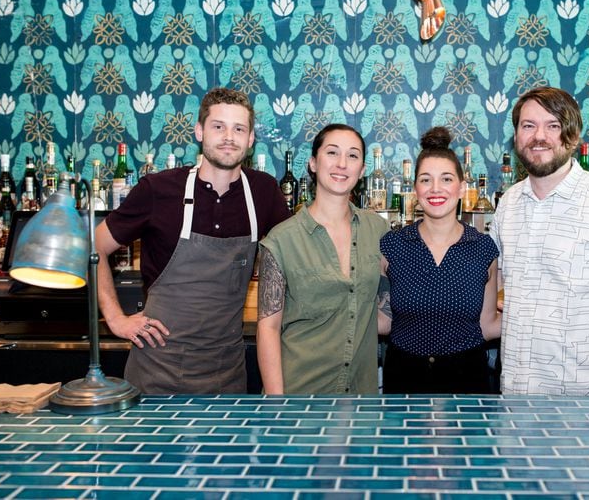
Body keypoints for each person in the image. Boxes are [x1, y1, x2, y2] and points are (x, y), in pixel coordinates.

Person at [95, 87, 290, 394]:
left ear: (251, 139)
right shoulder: (158, 189)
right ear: (199, 131)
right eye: (218, 126)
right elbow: (94, 248)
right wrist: (116, 319)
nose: (229, 136)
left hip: (226, 374)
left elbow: (299, 253)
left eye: (239, 128)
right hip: (157, 371)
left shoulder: (263, 192)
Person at [490, 86, 589, 397]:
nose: (539, 136)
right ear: (516, 137)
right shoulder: (508, 205)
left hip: (588, 408)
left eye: (553, 125)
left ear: (572, 137)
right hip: (516, 401)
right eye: (528, 125)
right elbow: (499, 285)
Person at [256, 124, 389, 394]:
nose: (342, 164)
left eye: (352, 156)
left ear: (362, 170)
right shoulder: (281, 239)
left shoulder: (379, 230)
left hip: (361, 399)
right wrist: (275, 403)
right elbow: (268, 328)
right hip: (300, 395)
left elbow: (384, 314)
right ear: (313, 163)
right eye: (332, 153)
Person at [378, 126, 500, 393]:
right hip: (404, 379)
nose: (435, 189)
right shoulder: (392, 245)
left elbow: (487, 324)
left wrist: (541, 315)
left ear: (461, 188)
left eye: (446, 179)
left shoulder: (483, 249)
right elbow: (383, 320)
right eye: (425, 180)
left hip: (467, 380)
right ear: (415, 189)